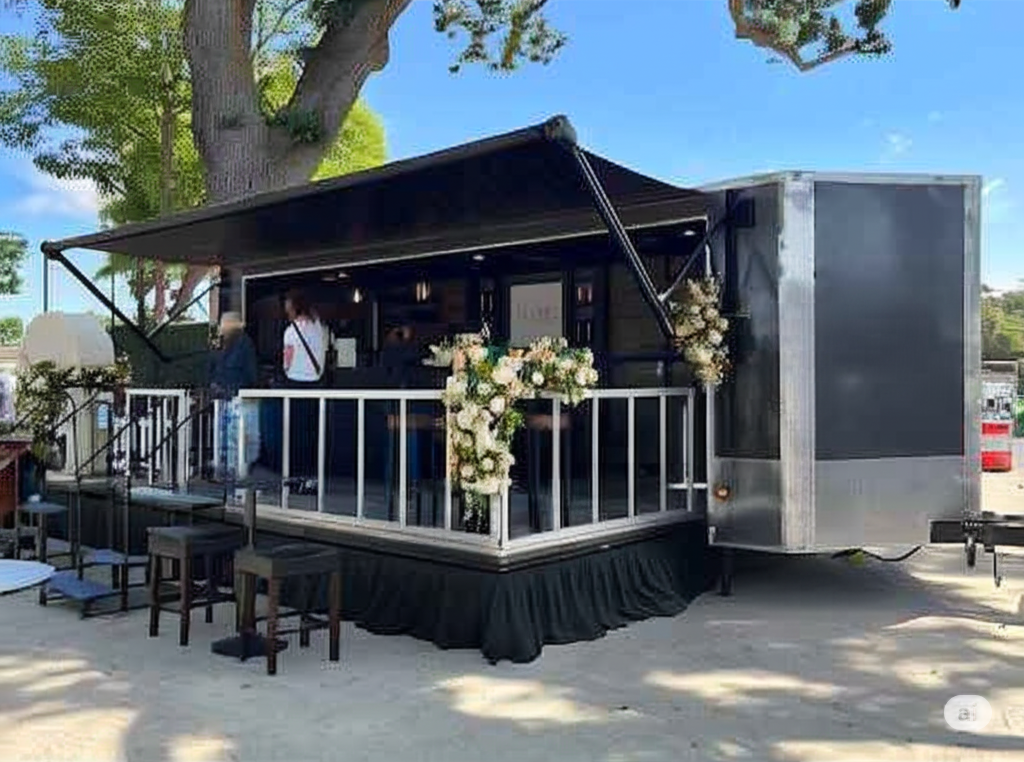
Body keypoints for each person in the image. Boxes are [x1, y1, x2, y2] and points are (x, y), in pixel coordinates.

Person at [208, 312, 260, 480]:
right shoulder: (227, 344)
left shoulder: (243, 344)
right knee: (228, 437)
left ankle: (235, 472)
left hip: (237, 396)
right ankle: (227, 471)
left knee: (236, 437)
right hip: (226, 397)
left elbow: (250, 372)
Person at [282, 289, 328, 385]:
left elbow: (287, 361)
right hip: (315, 379)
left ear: (293, 310)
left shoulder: (290, 332)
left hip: (294, 378)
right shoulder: (319, 329)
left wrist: (286, 368)